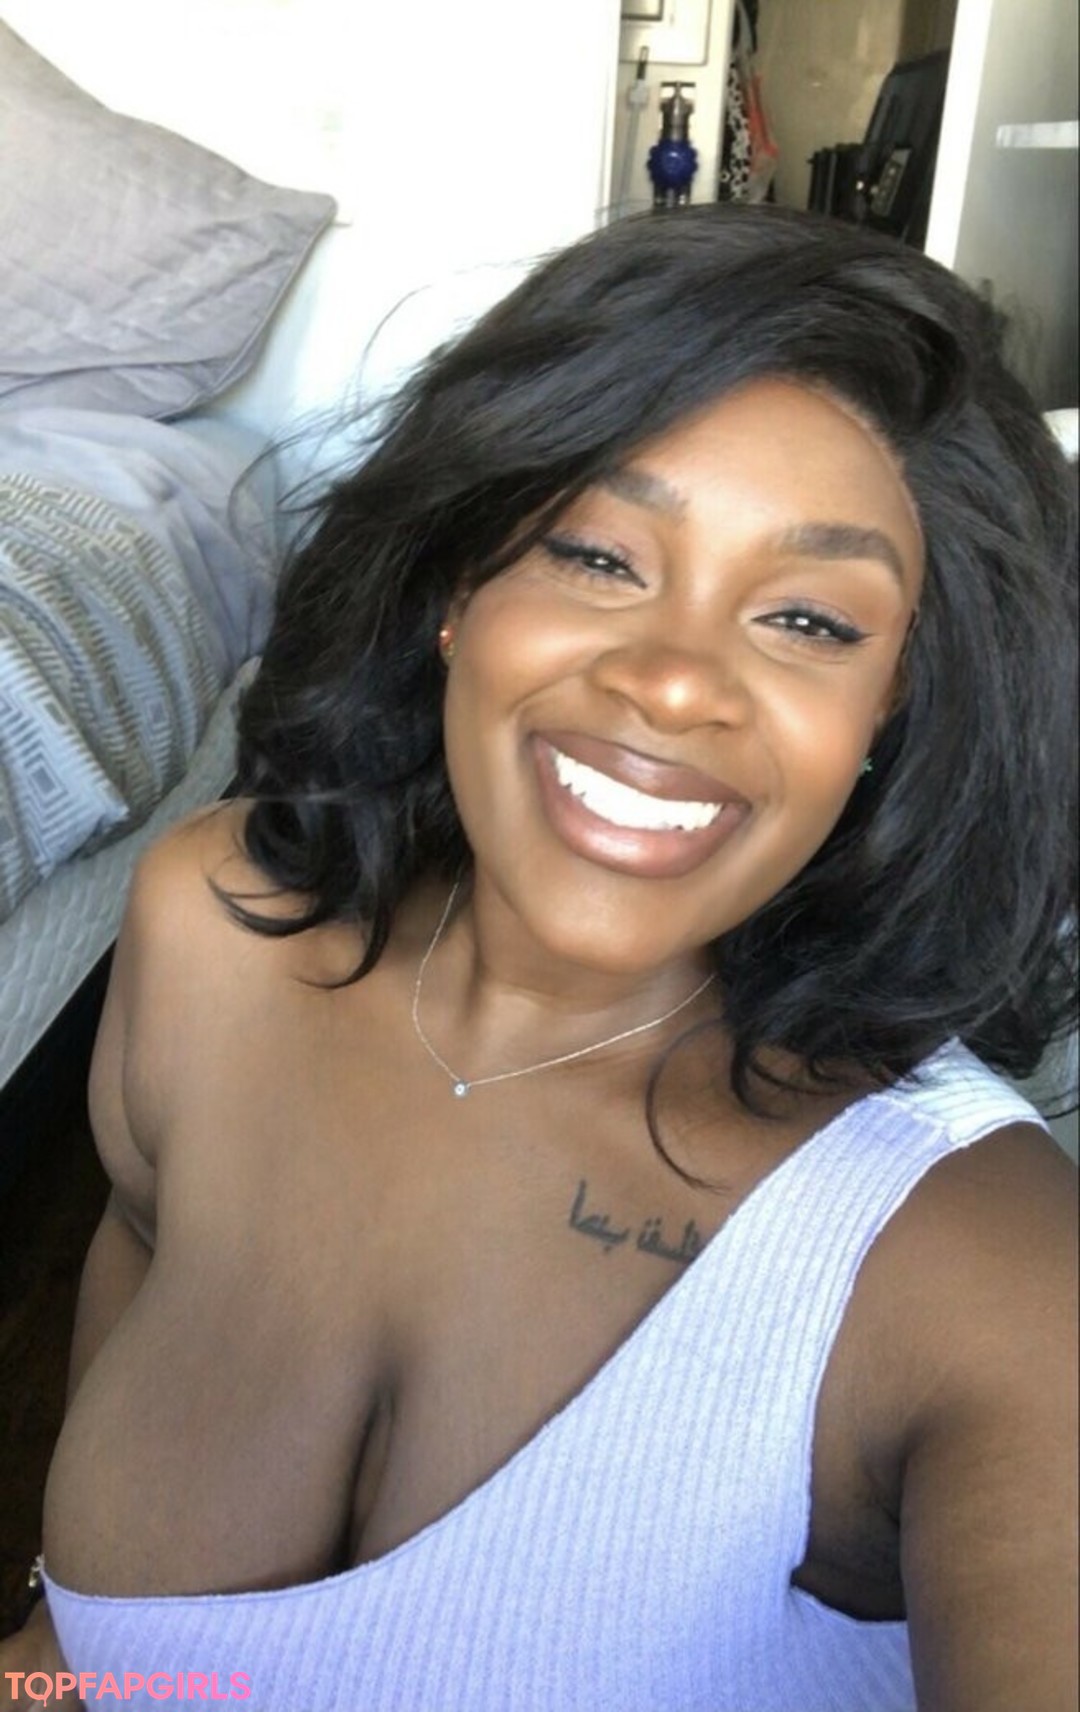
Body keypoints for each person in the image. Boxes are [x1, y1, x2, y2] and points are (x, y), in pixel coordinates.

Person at [1, 204, 1076, 1712]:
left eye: (807, 619)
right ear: (458, 585)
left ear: (892, 707)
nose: (675, 683)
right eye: (597, 555)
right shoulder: (213, 925)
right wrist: (60, 1668)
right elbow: (139, 1244)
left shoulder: (982, 1268)